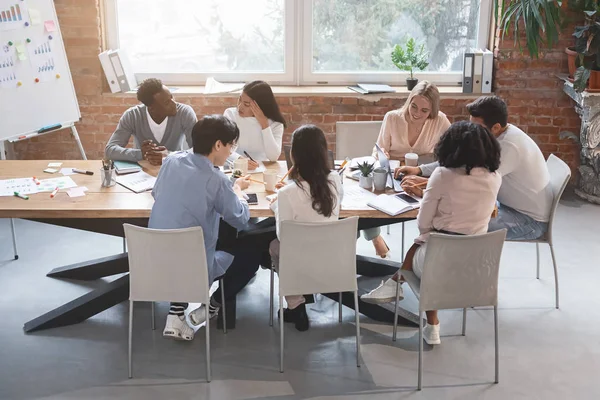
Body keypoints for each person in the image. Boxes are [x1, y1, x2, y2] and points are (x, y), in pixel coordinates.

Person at [362, 121, 502, 345]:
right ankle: (400, 290)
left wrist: (430, 206)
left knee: (426, 245)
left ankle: (401, 289)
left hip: (439, 261)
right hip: (477, 265)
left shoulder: (443, 175)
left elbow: (423, 223)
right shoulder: (495, 177)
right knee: (430, 244)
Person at [148, 115, 251, 341]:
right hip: (193, 268)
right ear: (217, 145)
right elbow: (241, 219)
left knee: (184, 233)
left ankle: (176, 311)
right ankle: (213, 306)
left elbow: (156, 194)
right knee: (250, 251)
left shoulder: (171, 161)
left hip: (152, 264)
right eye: (230, 145)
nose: (231, 152)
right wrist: (238, 191)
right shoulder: (217, 180)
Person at [396, 95, 553, 241]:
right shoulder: (496, 136)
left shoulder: (508, 147)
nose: (472, 130)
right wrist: (420, 171)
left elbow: (467, 179)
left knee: (451, 221)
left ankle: (441, 262)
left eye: (477, 126)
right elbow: (460, 162)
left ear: (496, 127)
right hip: (507, 206)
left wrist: (426, 187)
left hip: (528, 221)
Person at [363, 81, 451, 259]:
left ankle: (427, 256)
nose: (417, 114)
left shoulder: (440, 121)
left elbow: (450, 156)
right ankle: (375, 237)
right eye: (414, 106)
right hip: (393, 174)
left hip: (423, 176)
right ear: (409, 101)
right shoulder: (392, 118)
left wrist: (420, 171)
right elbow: (377, 151)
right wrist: (384, 154)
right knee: (367, 200)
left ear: (432, 111)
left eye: (424, 111)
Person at [268, 125, 343, 332]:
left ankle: (295, 303)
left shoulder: (287, 194)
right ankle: (298, 300)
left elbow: (283, 235)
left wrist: (276, 205)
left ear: (293, 154)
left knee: (275, 246)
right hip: (332, 260)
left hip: (299, 262)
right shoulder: (336, 180)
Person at [105, 78, 197, 165]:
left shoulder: (185, 113)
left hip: (174, 168)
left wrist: (168, 156)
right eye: (167, 102)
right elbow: (110, 151)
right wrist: (141, 154)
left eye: (172, 98)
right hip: (142, 173)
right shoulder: (133, 115)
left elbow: (200, 151)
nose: (174, 104)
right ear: (152, 108)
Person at [224, 80, 286, 169]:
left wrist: (264, 124)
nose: (240, 106)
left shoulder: (276, 124)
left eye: (246, 104)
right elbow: (222, 147)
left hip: (260, 169)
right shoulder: (230, 115)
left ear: (260, 106)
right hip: (234, 167)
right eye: (240, 100)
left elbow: (273, 157)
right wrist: (239, 160)